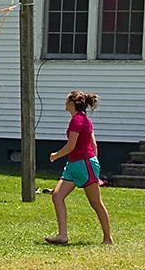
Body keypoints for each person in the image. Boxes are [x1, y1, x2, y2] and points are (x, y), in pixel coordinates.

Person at [44, 91, 112, 245]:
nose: (65, 102)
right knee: (57, 196)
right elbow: (94, 144)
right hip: (74, 165)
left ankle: (108, 238)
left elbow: (71, 146)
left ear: (72, 103)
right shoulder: (82, 120)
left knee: (95, 202)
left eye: (67, 99)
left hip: (83, 164)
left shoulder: (78, 121)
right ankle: (62, 236)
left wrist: (55, 155)